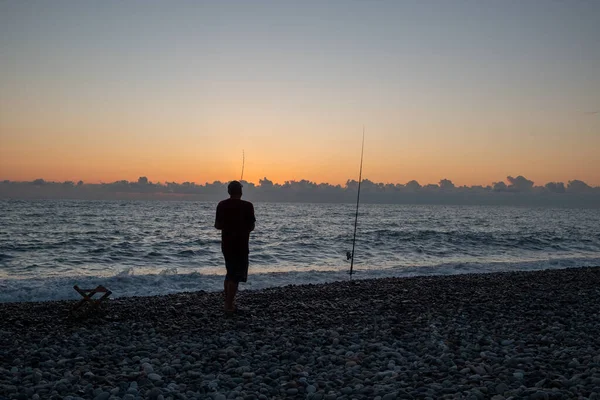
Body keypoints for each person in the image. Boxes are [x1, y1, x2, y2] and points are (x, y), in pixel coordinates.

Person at [214, 180, 255, 316]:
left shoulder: (221, 205)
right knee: (235, 276)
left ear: (228, 191)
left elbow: (217, 226)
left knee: (229, 272)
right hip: (241, 245)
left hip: (226, 244)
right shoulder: (248, 206)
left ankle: (228, 301)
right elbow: (252, 227)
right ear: (241, 192)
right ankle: (229, 305)